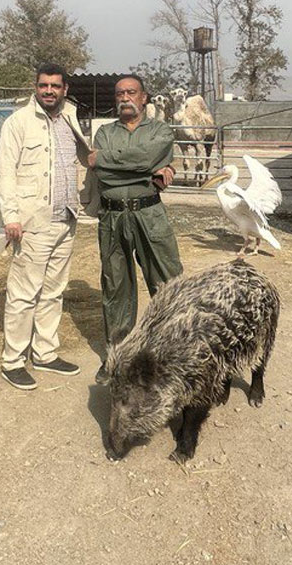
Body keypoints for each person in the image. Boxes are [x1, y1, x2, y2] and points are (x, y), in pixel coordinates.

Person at [0, 63, 92, 391]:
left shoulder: (70, 118)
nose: (48, 91)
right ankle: (13, 360)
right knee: (24, 293)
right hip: (32, 223)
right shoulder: (18, 122)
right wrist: (11, 216)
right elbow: (5, 172)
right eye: (43, 85)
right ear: (35, 87)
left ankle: (45, 353)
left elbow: (83, 161)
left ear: (65, 88)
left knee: (53, 291)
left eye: (55, 86)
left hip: (66, 219)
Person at [87, 74, 183, 384]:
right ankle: (118, 356)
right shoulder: (104, 133)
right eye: (119, 93)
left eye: (131, 92)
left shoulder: (160, 130)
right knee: (116, 288)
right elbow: (107, 175)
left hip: (149, 214)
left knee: (168, 283)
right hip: (113, 218)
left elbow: (146, 157)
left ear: (143, 98)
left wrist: (111, 163)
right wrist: (141, 171)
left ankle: (173, 354)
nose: (125, 97)